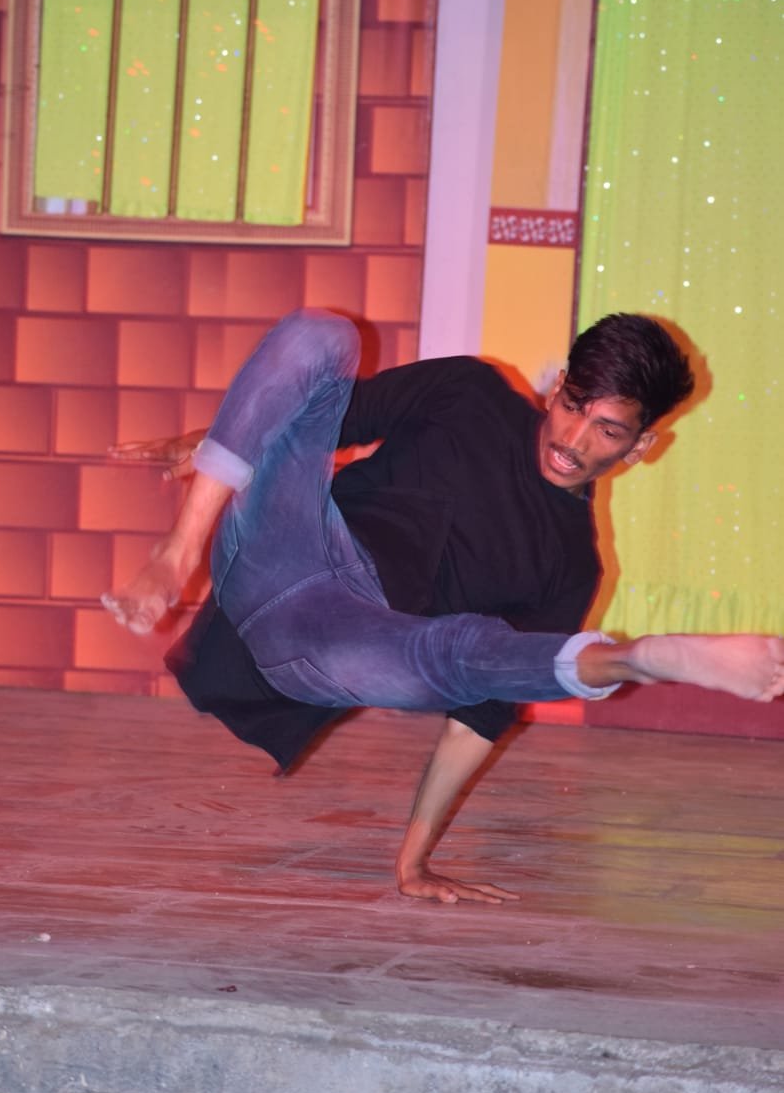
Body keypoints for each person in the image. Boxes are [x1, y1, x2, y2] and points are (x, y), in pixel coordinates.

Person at [103, 309, 784, 905]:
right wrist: (213, 440)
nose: (573, 440)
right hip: (289, 546)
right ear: (557, 387)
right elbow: (313, 414)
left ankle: (637, 658)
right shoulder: (468, 392)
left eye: (607, 430)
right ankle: (177, 554)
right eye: (574, 405)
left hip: (337, 647)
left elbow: (475, 723)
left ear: (640, 447)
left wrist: (413, 862)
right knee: (321, 334)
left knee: (464, 654)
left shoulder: (571, 565)